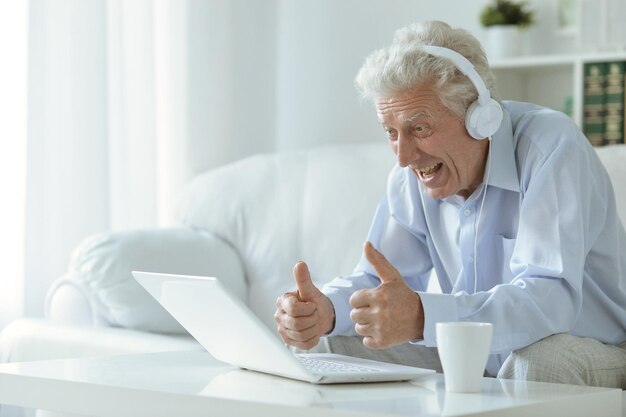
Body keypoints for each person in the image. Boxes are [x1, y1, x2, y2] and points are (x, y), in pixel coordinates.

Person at [274, 20, 626, 388]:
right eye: (391, 132)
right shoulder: (410, 176)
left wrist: (423, 317)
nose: (404, 157)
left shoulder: (550, 148)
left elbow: (551, 300)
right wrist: (323, 310)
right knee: (335, 340)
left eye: (419, 128)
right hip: (473, 350)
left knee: (538, 359)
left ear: (479, 116)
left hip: (594, 347)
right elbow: (377, 283)